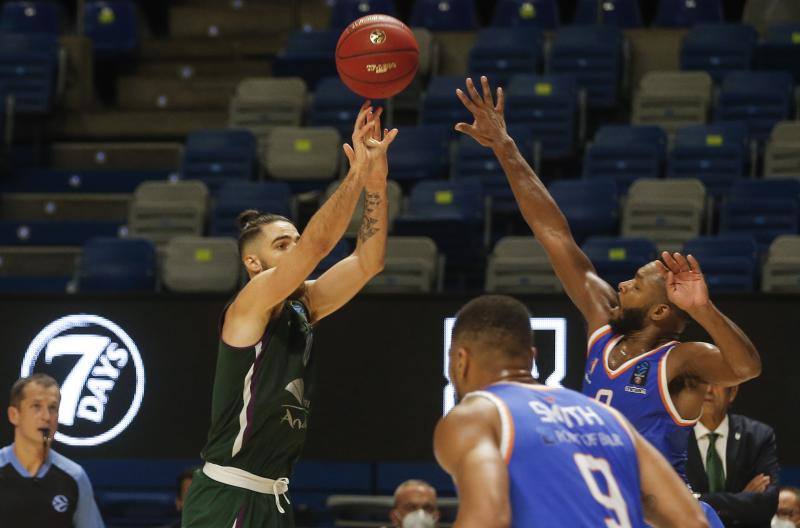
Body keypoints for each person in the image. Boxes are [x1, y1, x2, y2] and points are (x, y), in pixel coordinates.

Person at [453, 75, 761, 481]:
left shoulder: (680, 361)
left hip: (657, 511)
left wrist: (704, 309)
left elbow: (746, 368)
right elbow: (554, 234)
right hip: (601, 501)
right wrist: (506, 149)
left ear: (659, 311)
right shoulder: (604, 324)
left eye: (635, 285)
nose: (621, 286)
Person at [181, 102, 396, 528]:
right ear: (253, 265)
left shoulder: (305, 304)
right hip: (227, 495)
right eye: (283, 245)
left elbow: (368, 262)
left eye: (295, 239)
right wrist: (354, 174)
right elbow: (315, 248)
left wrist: (376, 182)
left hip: (275, 496)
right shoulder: (250, 304)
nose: (296, 248)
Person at [434, 294, 710, 527]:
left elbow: (488, 518)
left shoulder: (477, 415)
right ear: (532, 358)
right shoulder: (609, 417)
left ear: (460, 359)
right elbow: (693, 521)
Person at [0, 374, 104, 528]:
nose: (47, 417)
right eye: (36, 406)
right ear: (14, 415)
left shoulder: (74, 476)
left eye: (53, 408)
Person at [687, 383, 779, 527]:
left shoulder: (758, 436)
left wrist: (696, 499)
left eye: (717, 382)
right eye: (703, 381)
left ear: (733, 392)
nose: (709, 390)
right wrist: (742, 499)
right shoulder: (674, 439)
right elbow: (670, 502)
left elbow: (766, 504)